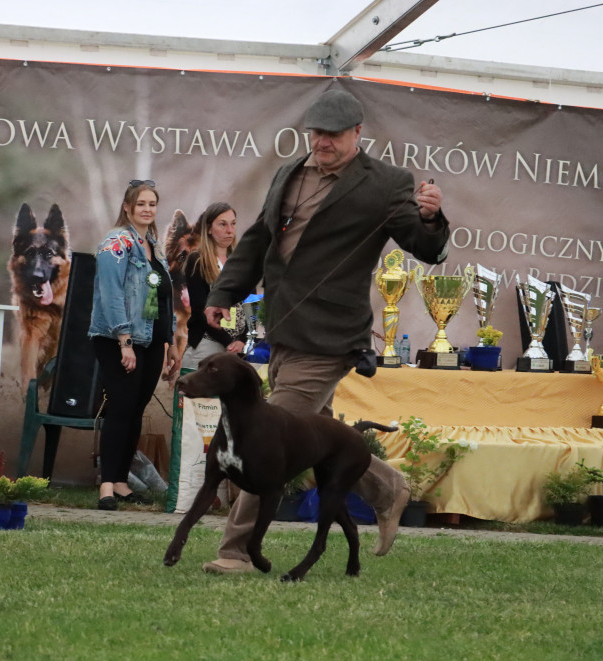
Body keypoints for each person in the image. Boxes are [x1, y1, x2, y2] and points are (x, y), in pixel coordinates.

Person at [201, 89, 451, 573]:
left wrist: (430, 217)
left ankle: (236, 551)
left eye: (333, 135)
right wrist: (223, 294)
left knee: (265, 438)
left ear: (357, 133)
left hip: (332, 335)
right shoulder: (288, 172)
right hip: (285, 328)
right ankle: (387, 487)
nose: (322, 143)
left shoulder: (386, 183)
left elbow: (425, 247)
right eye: (315, 133)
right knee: (319, 440)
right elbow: (258, 239)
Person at [88, 179, 181, 511]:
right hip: (119, 338)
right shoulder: (115, 244)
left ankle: (123, 482)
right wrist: (124, 340)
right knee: (121, 408)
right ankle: (106, 485)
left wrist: (169, 342)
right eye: (141, 204)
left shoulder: (153, 246)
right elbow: (111, 295)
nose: (147, 209)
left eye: (152, 204)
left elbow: (161, 298)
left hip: (152, 340)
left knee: (136, 411)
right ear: (127, 207)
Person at [181, 202, 247, 370]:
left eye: (233, 224)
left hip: (239, 347)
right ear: (209, 229)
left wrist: (242, 340)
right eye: (222, 224)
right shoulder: (197, 260)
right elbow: (199, 311)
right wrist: (229, 342)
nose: (230, 230)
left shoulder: (242, 261)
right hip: (208, 341)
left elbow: (249, 306)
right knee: (203, 396)